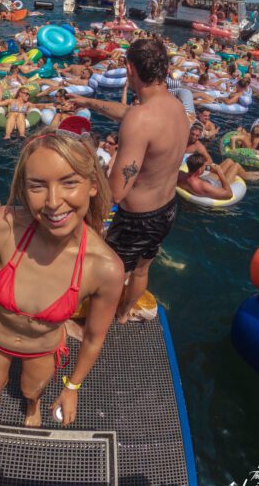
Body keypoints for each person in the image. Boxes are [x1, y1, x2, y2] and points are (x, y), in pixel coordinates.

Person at [0, 131, 123, 426]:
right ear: (23, 188)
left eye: (69, 182)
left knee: (31, 392)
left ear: (93, 186)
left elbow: (95, 338)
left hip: (42, 348)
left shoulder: (105, 268)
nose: (53, 201)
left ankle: (32, 408)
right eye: (37, 186)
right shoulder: (3, 225)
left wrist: (72, 388)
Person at [71, 38, 188, 323]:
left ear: (129, 69)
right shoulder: (175, 108)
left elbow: (118, 192)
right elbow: (130, 114)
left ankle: (93, 328)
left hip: (137, 219)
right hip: (167, 210)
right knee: (141, 269)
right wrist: (87, 102)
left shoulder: (140, 120)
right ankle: (123, 315)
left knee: (109, 273)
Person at [177, 153, 259, 200]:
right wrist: (220, 173)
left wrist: (210, 168)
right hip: (218, 185)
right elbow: (229, 194)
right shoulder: (203, 186)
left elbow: (201, 169)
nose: (206, 167)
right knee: (236, 166)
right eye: (204, 166)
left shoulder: (180, 174)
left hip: (206, 179)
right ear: (199, 170)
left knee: (229, 161)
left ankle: (245, 174)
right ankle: (246, 175)